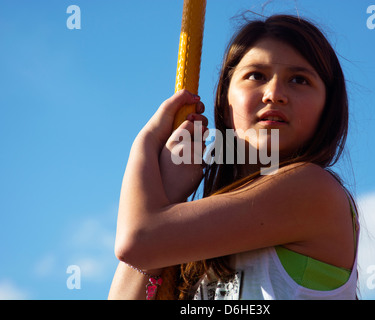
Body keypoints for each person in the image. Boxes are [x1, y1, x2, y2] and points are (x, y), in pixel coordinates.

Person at [108, 14, 359, 300]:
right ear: (225, 101)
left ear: (327, 108)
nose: (274, 94)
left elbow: (136, 242)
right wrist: (170, 196)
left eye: (299, 80)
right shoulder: (194, 242)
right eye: (256, 76)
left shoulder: (314, 190)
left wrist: (145, 142)